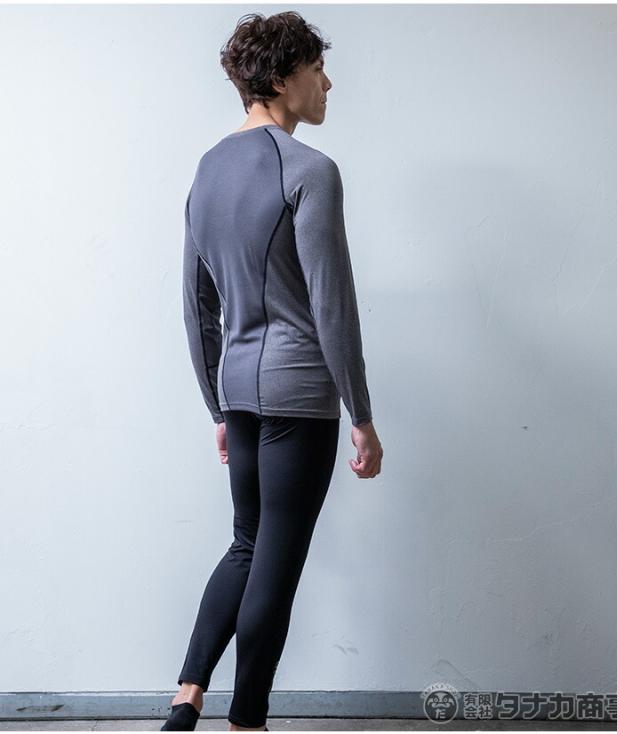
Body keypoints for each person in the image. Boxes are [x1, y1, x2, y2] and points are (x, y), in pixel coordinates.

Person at [161, 11, 383, 732]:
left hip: (240, 389)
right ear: (284, 78)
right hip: (299, 392)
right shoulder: (311, 171)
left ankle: (187, 694)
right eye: (318, 69)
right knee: (276, 561)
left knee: (246, 542)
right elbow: (332, 304)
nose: (328, 83)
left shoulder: (207, 170)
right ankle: (247, 719)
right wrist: (362, 416)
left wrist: (217, 409)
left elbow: (196, 305)